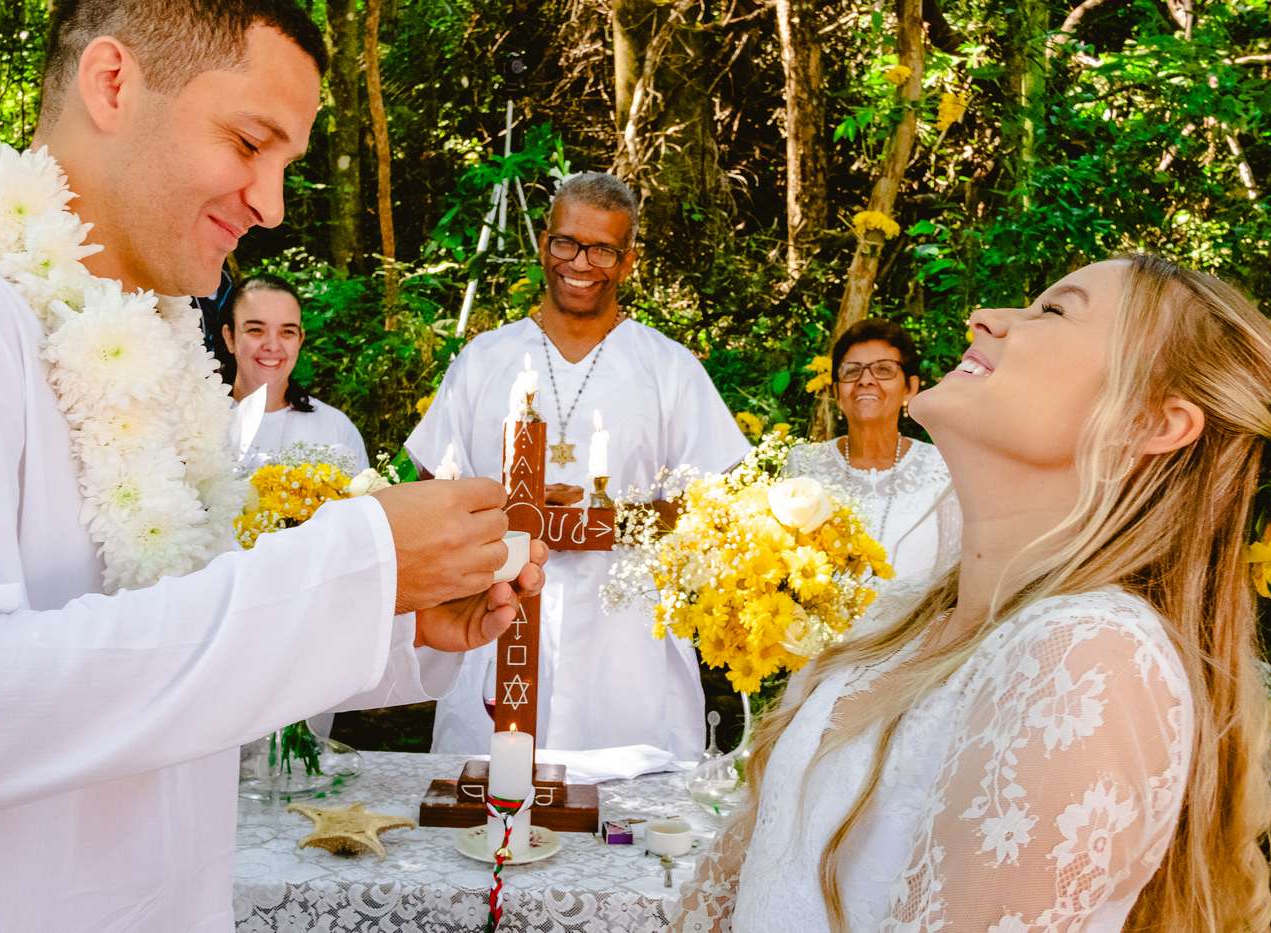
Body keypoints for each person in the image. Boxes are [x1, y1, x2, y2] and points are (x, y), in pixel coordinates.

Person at [0, 4, 546, 932]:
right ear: (113, 83)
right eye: (247, 142)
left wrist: (399, 619)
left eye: (286, 167)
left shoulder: (164, 358)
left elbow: (170, 652)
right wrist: (349, 570)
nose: (270, 204)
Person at [674, 256, 1271, 931]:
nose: (984, 319)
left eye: (1053, 311)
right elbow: (728, 894)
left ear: (1150, 422)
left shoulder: (1088, 655)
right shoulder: (894, 620)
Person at [407, 172, 750, 760]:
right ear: (544, 245)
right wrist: (512, 511)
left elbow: (712, 505)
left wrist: (604, 519)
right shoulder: (484, 360)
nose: (581, 262)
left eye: (603, 249)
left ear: (628, 260)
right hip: (498, 618)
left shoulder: (667, 367)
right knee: (488, 804)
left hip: (625, 638)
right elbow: (429, 494)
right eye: (567, 242)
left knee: (630, 820)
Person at [786, 319, 960, 582]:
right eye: (851, 371)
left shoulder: (943, 467)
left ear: (910, 388)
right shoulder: (803, 465)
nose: (865, 380)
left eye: (884, 369)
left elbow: (954, 580)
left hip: (918, 622)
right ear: (836, 392)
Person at [221, 273, 368, 471]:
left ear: (300, 340)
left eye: (287, 332)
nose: (272, 346)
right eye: (256, 329)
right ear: (230, 337)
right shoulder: (197, 426)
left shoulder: (336, 427)